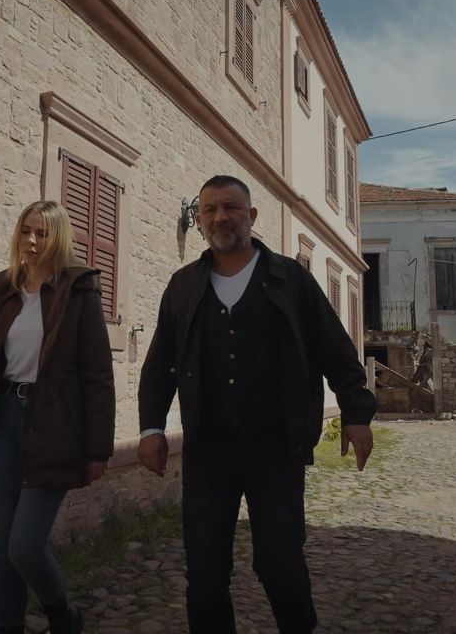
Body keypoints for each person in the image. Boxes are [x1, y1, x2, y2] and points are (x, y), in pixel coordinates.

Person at [136, 175, 377, 633]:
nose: (219, 217)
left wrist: (356, 414)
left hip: (276, 448)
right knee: (205, 573)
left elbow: (335, 350)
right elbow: (159, 363)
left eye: (230, 207)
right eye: (209, 209)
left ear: (252, 215)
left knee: (280, 564)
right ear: (199, 218)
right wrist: (151, 429)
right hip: (207, 450)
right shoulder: (183, 286)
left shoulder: (291, 279)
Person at [0, 201, 116, 634]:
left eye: (43, 233)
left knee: (25, 547)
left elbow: (98, 376)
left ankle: (63, 619)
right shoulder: (2, 292)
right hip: (3, 423)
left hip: (54, 427)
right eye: (26, 231)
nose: (32, 241)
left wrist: (98, 448)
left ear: (59, 238)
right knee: (3, 550)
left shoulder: (79, 290)